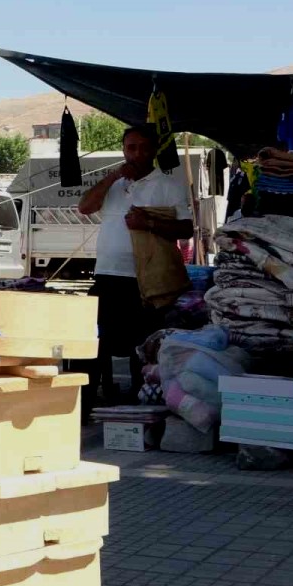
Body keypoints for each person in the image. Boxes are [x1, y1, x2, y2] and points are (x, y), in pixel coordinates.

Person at [77, 124, 194, 413]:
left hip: (146, 281)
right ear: (123, 150)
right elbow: (85, 207)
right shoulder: (114, 184)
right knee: (91, 341)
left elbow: (186, 229)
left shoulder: (169, 186)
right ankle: (83, 408)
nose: (137, 153)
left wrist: (150, 223)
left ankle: (139, 410)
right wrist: (114, 175)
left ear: (154, 150)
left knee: (140, 349)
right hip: (107, 276)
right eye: (131, 147)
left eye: (143, 147)